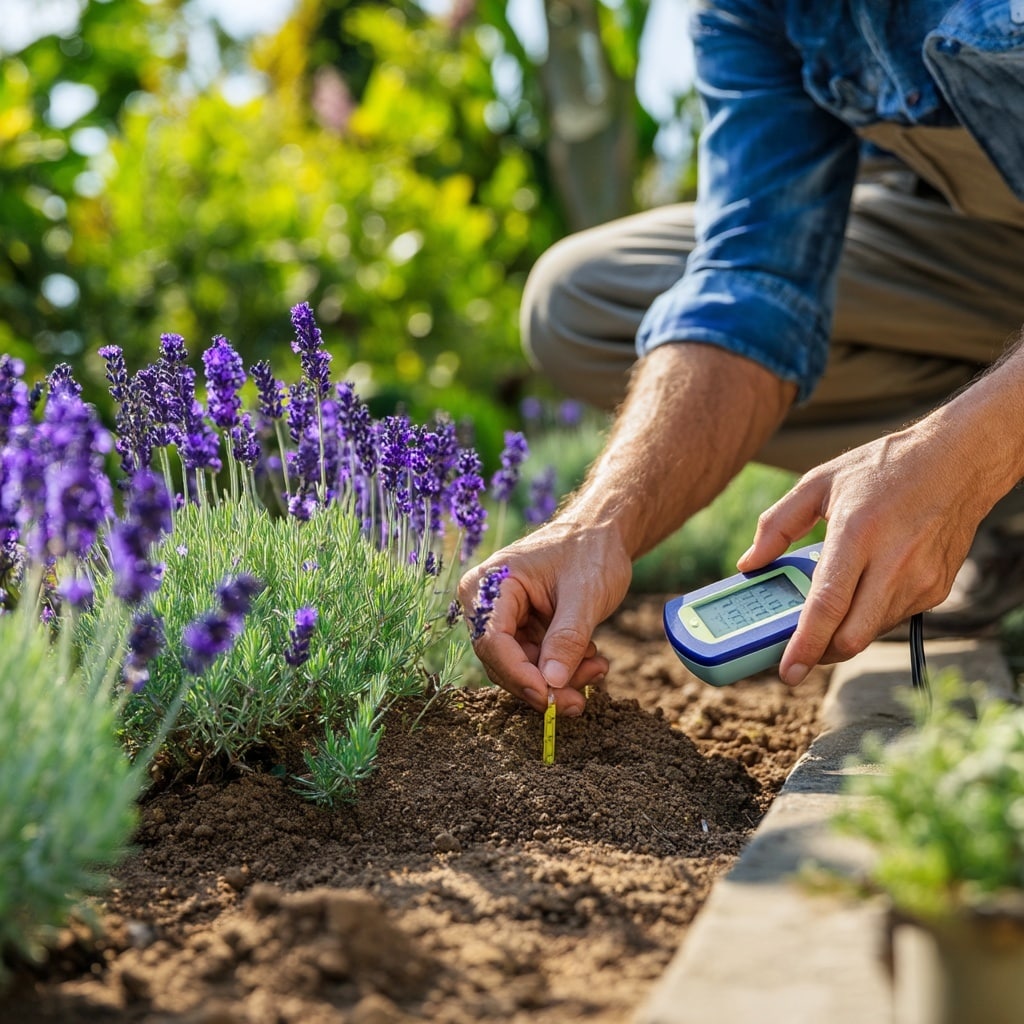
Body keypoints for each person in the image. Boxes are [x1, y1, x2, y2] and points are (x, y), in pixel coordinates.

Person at [459, 0, 1024, 717]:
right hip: (987, 261)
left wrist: (964, 455)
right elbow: (756, 290)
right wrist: (599, 523)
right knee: (583, 304)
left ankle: (992, 464)